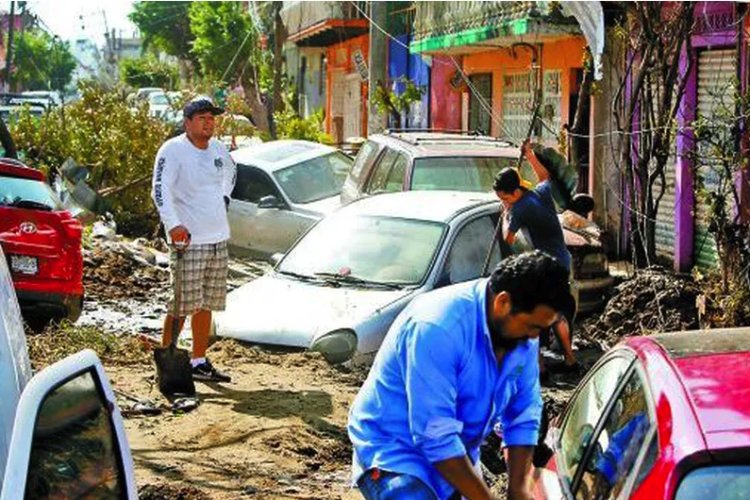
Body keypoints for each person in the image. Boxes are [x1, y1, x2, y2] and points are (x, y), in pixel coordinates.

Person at [348, 251, 575, 500]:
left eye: (541, 329)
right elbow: (434, 434)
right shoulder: (437, 328)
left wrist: (519, 488)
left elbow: (523, 414)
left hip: (457, 449)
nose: (535, 339)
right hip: (395, 449)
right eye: (533, 327)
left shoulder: (521, 332)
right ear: (502, 303)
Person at [151, 95, 237, 383]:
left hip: (217, 238)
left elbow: (231, 171)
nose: (208, 122)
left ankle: (199, 360)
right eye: (202, 117)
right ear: (187, 121)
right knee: (180, 304)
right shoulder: (172, 150)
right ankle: (169, 362)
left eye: (211, 118)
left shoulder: (217, 149)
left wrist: (225, 196)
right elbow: (159, 190)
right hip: (188, 240)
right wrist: (173, 224)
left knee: (206, 303)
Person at [493, 141, 579, 374]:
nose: (505, 201)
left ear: (514, 192)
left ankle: (540, 368)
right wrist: (530, 155)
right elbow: (545, 175)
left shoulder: (519, 209)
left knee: (537, 314)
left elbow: (508, 239)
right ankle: (570, 359)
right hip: (563, 260)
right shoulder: (540, 193)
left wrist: (505, 214)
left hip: (544, 269)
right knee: (558, 312)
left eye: (505, 197)